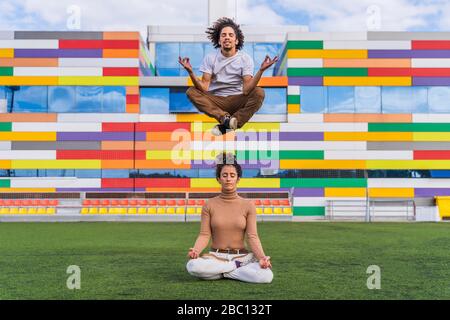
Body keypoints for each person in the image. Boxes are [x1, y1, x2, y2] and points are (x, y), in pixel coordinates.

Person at [179, 17, 278, 136]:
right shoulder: (210, 58)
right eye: (224, 35)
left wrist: (261, 70)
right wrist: (190, 72)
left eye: (231, 35)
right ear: (219, 40)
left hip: (237, 99)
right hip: (216, 100)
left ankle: (230, 124)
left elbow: (247, 90)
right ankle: (225, 119)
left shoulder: (245, 59)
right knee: (191, 91)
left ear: (236, 40)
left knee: (259, 92)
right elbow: (204, 87)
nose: (227, 37)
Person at [186, 153, 273, 283]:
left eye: (232, 175)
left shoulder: (248, 205)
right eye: (224, 175)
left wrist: (262, 257)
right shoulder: (209, 205)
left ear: (238, 178)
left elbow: (252, 236)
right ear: (218, 178)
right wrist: (196, 251)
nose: (228, 179)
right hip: (215, 257)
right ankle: (233, 269)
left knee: (266, 276)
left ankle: (221, 273)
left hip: (242, 257)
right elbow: (204, 234)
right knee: (192, 266)